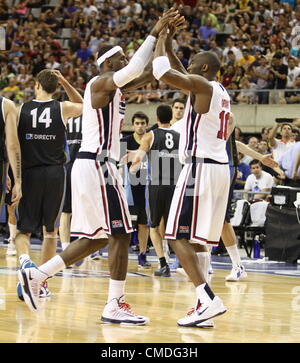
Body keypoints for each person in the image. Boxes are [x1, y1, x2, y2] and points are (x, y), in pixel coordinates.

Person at [18, 9, 180, 324]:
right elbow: (137, 66)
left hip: (97, 165)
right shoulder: (100, 82)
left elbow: (157, 70)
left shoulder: (115, 87)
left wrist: (166, 38)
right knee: (118, 233)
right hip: (96, 164)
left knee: (105, 236)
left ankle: (44, 277)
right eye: (121, 59)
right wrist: (154, 29)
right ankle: (103, 299)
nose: (127, 62)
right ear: (108, 64)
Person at [152, 24, 231, 328]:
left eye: (195, 60)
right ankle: (203, 306)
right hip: (218, 168)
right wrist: (171, 45)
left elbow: (163, 71)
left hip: (199, 168)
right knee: (199, 242)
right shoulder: (217, 90)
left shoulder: (202, 85)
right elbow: (182, 71)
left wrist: (160, 38)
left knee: (174, 235)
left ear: (206, 67)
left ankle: (208, 298)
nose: (191, 63)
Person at [15, 69, 83, 297]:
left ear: (36, 85)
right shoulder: (62, 108)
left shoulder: (21, 109)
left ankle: (25, 264)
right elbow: (83, 104)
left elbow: (13, 144)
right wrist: (65, 82)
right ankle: (41, 282)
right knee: (50, 231)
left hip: (29, 173)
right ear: (56, 88)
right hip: (55, 174)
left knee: (22, 230)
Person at [130, 104, 181, 277]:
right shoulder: (179, 137)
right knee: (172, 228)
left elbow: (138, 158)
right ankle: (184, 261)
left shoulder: (150, 135)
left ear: (157, 118)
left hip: (156, 185)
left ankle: (163, 263)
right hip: (175, 185)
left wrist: (132, 170)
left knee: (153, 225)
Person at [121, 111, 151, 269]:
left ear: (147, 124)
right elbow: (118, 165)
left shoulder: (150, 141)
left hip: (146, 188)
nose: (140, 126)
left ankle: (142, 254)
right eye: (137, 123)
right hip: (129, 189)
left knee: (144, 224)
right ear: (133, 125)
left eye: (142, 123)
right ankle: (122, 255)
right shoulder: (125, 142)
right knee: (126, 225)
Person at [0, 97, 22, 255]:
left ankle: (12, 240)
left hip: (6, 166)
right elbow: (12, 145)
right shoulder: (6, 105)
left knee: (11, 207)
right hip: (4, 164)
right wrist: (17, 179)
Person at [59, 114, 83, 252]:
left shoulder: (64, 117)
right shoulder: (89, 116)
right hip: (84, 165)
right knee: (85, 209)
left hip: (66, 166)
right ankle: (86, 249)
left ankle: (65, 248)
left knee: (65, 211)